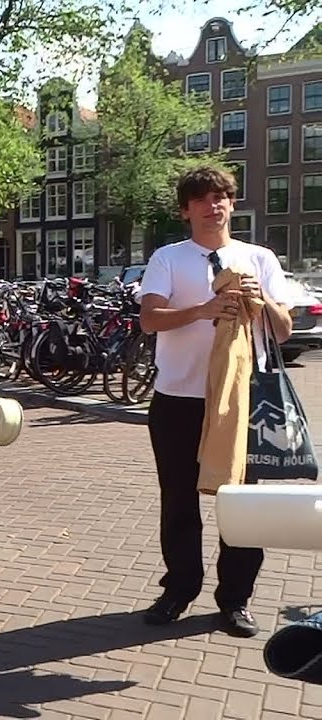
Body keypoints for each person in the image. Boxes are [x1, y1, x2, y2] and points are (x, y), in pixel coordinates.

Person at [136, 166, 293, 637]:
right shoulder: (168, 258)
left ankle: (235, 599)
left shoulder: (259, 257)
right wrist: (204, 309)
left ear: (232, 203)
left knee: (241, 503)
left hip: (244, 400)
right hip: (179, 399)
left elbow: (283, 332)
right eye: (202, 199)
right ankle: (179, 589)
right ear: (186, 210)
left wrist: (260, 298)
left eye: (222, 197)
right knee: (179, 500)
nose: (214, 206)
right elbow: (149, 320)